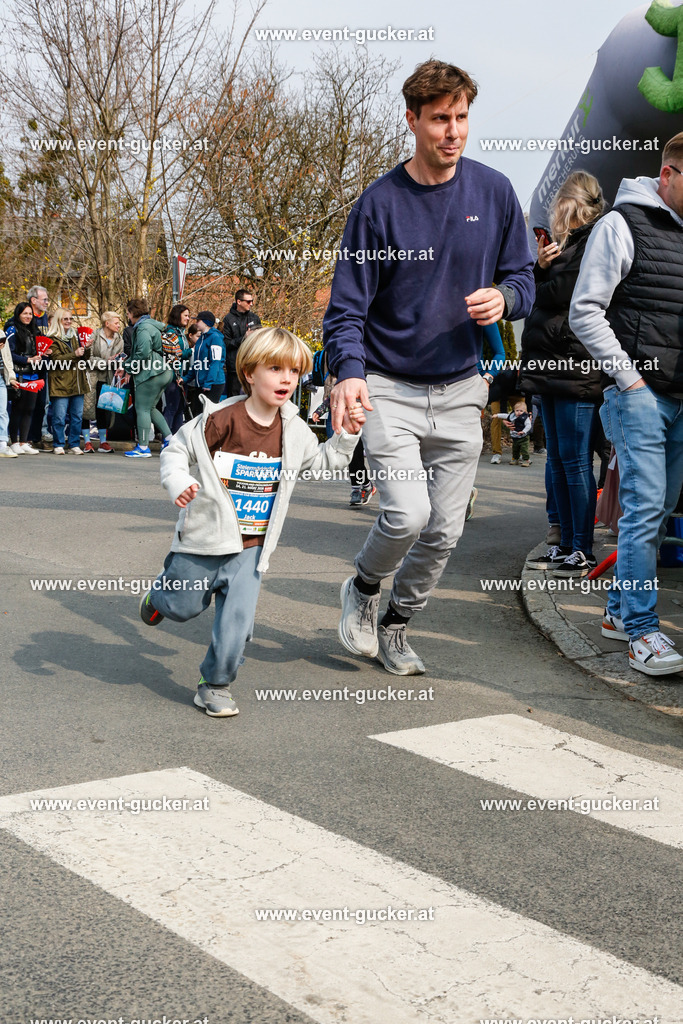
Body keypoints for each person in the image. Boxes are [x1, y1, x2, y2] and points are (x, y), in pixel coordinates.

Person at [323, 59, 534, 675]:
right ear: (412, 119)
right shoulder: (379, 206)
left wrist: (506, 298)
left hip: (464, 385)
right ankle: (362, 590)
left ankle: (396, 622)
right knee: (407, 514)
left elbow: (524, 278)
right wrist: (351, 372)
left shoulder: (494, 192)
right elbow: (346, 310)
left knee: (444, 530)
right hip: (390, 385)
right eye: (439, 119)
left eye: (462, 117)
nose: (453, 131)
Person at [140, 327, 362, 717]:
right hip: (204, 540)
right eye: (275, 368)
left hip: (252, 548)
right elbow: (177, 448)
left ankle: (215, 685)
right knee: (181, 606)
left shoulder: (294, 430)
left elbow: (323, 462)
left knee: (236, 627)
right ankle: (159, 597)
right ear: (249, 373)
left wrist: (346, 436)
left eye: (294, 371)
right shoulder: (221, 418)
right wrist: (179, 480)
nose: (286, 379)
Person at [569, 132, 683, 676]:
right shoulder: (621, 224)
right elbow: (584, 310)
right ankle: (642, 632)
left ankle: (617, 613)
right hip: (640, 395)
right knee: (641, 514)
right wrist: (630, 381)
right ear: (668, 174)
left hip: (681, 397)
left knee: (657, 515)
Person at [520, 171, 607, 576]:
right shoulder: (567, 246)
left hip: (575, 366)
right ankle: (565, 544)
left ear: (575, 205)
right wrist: (538, 268)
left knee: (573, 461)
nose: (556, 212)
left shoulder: (593, 242)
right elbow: (544, 294)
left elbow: (559, 296)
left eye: (561, 204)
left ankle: (581, 548)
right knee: (557, 458)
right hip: (552, 365)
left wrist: (539, 274)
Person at [123, 298, 173, 459]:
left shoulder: (143, 328)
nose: (128, 317)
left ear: (132, 313)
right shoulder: (153, 325)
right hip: (163, 370)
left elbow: (143, 353)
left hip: (150, 372)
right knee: (150, 408)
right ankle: (169, 439)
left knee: (142, 408)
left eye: (128, 313)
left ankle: (143, 447)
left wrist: (128, 367)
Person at [46, 307, 89, 455]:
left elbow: (83, 358)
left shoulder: (75, 336)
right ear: (58, 320)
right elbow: (56, 360)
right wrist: (75, 354)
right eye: (65, 319)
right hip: (60, 382)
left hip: (78, 382)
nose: (69, 321)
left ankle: (74, 444)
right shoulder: (51, 338)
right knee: (59, 416)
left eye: (70, 319)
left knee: (77, 416)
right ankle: (58, 444)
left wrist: (86, 348)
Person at [5, 302, 42, 454]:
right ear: (18, 314)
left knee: (29, 409)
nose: (28, 317)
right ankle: (14, 441)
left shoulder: (34, 330)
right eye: (25, 313)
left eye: (30, 314)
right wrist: (27, 360)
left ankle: (23, 442)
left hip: (33, 375)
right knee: (18, 409)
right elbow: (8, 353)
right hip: (19, 374)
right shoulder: (12, 330)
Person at [88, 311, 125, 452]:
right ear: (107, 324)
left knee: (103, 410)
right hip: (93, 376)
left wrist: (119, 362)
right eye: (116, 323)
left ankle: (103, 442)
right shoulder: (95, 335)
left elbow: (121, 357)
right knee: (88, 409)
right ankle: (87, 441)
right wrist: (105, 361)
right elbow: (88, 357)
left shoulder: (119, 339)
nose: (118, 325)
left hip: (108, 377)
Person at [183, 311, 226, 414]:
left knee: (208, 414)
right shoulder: (201, 338)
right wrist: (185, 379)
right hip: (201, 383)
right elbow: (197, 363)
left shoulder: (215, 338)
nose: (196, 323)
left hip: (213, 384)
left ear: (206, 323)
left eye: (198, 320)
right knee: (197, 413)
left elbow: (215, 362)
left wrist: (208, 383)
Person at [222, 289, 261, 396]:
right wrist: (244, 338)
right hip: (235, 367)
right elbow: (225, 343)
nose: (251, 304)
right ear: (239, 302)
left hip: (252, 365)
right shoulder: (228, 319)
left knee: (252, 396)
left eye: (252, 301)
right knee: (234, 399)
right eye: (248, 302)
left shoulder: (254, 318)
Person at [162, 304, 191, 433]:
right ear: (177, 315)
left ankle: (176, 440)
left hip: (182, 375)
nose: (188, 318)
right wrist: (192, 351)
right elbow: (174, 355)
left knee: (180, 408)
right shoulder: (170, 333)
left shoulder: (181, 332)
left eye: (189, 315)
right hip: (173, 375)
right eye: (185, 315)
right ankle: (166, 439)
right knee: (172, 407)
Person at [492, 400, 532, 465]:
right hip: (515, 436)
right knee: (515, 449)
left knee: (524, 449)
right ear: (514, 410)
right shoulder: (512, 416)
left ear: (525, 411)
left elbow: (528, 425)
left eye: (521, 411)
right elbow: (505, 415)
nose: (519, 412)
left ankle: (526, 460)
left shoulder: (525, 418)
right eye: (517, 410)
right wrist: (497, 415)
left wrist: (523, 431)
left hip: (523, 437)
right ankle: (515, 459)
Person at [0, 329, 20, 457]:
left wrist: (11, 377)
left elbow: (7, 358)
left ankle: (2, 444)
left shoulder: (1, 333)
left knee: (2, 411)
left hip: (0, 377)